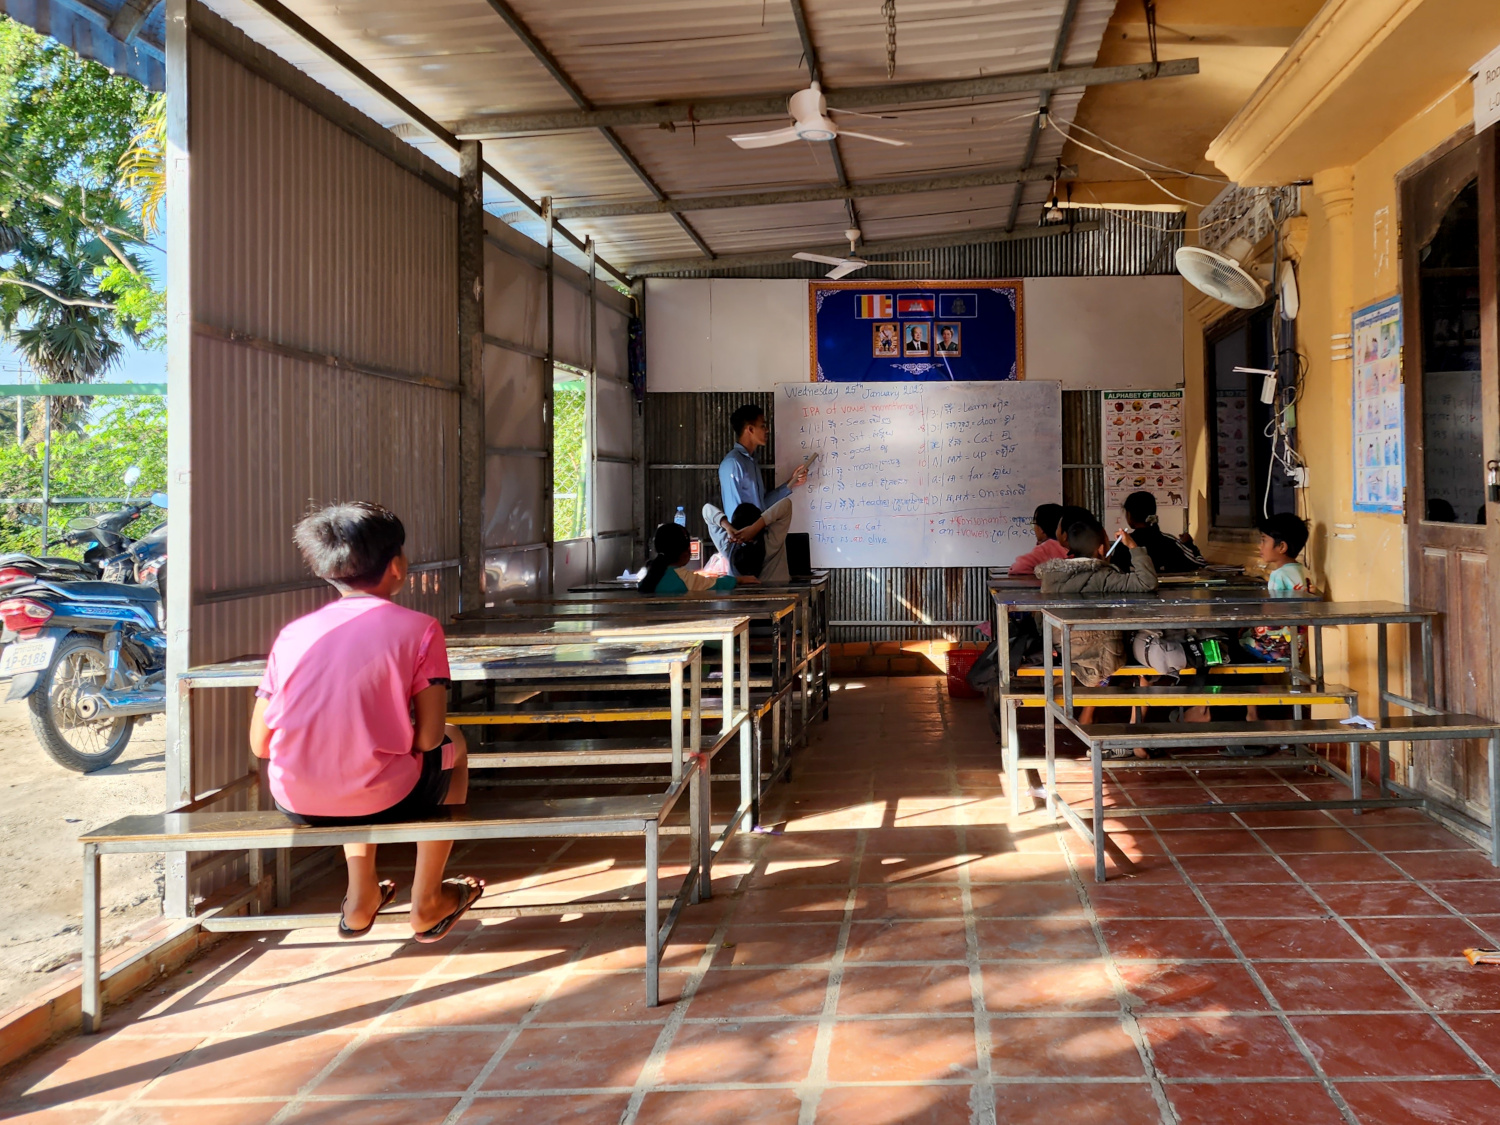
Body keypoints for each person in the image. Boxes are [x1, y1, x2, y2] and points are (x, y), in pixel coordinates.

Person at [249, 502, 481, 942]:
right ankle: (428, 900)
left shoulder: (292, 634)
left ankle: (360, 898)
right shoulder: (421, 628)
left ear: (327, 570)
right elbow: (430, 737)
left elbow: (260, 744)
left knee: (347, 754)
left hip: (296, 802)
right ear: (397, 566)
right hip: (387, 797)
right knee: (455, 742)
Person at [1036, 520, 1158, 750]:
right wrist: (1133, 547)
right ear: (1103, 549)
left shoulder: (1051, 578)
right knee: (1145, 658)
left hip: (1065, 652)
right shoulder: (1104, 577)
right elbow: (1147, 581)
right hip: (1105, 656)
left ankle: (1090, 712)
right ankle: (1135, 733)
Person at [710, 405, 807, 568]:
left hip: (758, 540)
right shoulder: (733, 464)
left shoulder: (751, 462)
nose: (767, 430)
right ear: (750, 429)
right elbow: (736, 514)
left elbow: (762, 505)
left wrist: (790, 483)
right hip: (744, 546)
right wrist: (745, 539)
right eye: (762, 425)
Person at [1108, 491, 1205, 574]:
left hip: (1133, 596)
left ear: (1129, 516)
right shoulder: (1169, 543)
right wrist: (1189, 543)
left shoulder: (1122, 546)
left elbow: (1114, 572)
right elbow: (1200, 563)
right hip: (1171, 595)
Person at [702, 497, 793, 583]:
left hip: (736, 599)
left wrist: (727, 526)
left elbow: (706, 509)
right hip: (779, 597)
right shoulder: (772, 540)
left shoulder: (728, 545)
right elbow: (786, 504)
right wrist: (755, 528)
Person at [641, 522, 750, 594]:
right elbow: (718, 584)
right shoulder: (686, 579)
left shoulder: (647, 579)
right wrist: (740, 579)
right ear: (686, 551)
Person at [1009, 502, 1068, 577]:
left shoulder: (1045, 549)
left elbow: (1017, 568)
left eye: (1034, 524)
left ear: (1041, 529)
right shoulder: (1069, 544)